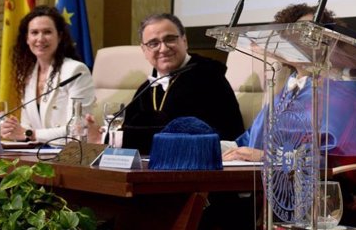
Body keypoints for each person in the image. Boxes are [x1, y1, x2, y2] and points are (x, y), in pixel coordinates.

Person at [222, 3, 356, 229]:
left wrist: (266, 156)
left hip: (329, 205)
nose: (306, 39)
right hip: (274, 200)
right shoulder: (287, 91)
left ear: (331, 41)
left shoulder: (343, 90)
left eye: (314, 32)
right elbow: (248, 142)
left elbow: (330, 154)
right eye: (295, 34)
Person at [91, 12, 245, 153]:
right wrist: (102, 132)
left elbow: (189, 135)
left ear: (184, 41)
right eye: (153, 43)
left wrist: (111, 138)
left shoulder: (208, 77)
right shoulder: (147, 87)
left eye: (170, 39)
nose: (163, 49)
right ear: (144, 50)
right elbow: (127, 126)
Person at [0, 6, 95, 143]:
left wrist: (28, 134)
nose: (40, 38)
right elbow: (28, 127)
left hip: (68, 155)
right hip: (38, 154)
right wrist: (12, 130)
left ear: (60, 36)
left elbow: (77, 129)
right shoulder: (27, 74)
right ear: (27, 39)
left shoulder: (76, 71)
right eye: (34, 32)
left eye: (47, 32)